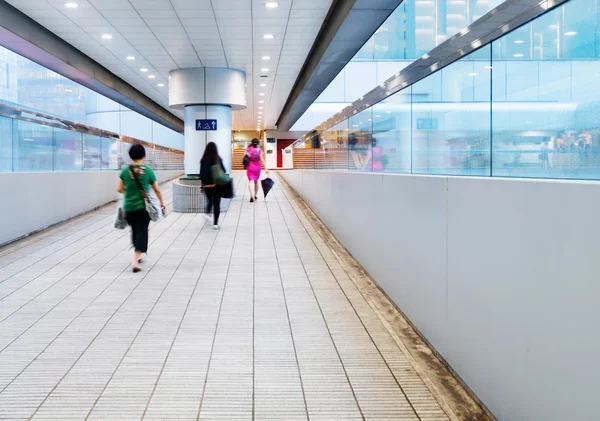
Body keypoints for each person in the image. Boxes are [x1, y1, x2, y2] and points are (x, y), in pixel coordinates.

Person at [117, 144, 166, 273]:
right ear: (143, 155)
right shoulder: (148, 171)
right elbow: (157, 189)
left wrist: (129, 193)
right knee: (142, 232)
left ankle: (139, 254)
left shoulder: (125, 171)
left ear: (130, 156)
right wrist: (161, 203)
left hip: (129, 207)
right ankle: (134, 261)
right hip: (143, 207)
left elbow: (119, 189)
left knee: (134, 231)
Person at [200, 142, 226, 230]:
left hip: (207, 186)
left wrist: (202, 186)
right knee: (217, 204)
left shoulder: (203, 160)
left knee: (210, 201)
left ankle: (207, 212)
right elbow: (224, 170)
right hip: (217, 185)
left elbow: (201, 174)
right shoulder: (218, 159)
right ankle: (215, 224)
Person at [245, 138, 268, 202]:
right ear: (258, 143)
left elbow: (245, 157)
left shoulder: (248, 149)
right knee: (256, 181)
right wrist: (266, 168)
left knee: (250, 181)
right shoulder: (259, 150)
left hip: (250, 166)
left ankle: (251, 195)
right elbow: (262, 159)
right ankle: (255, 195)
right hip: (257, 167)